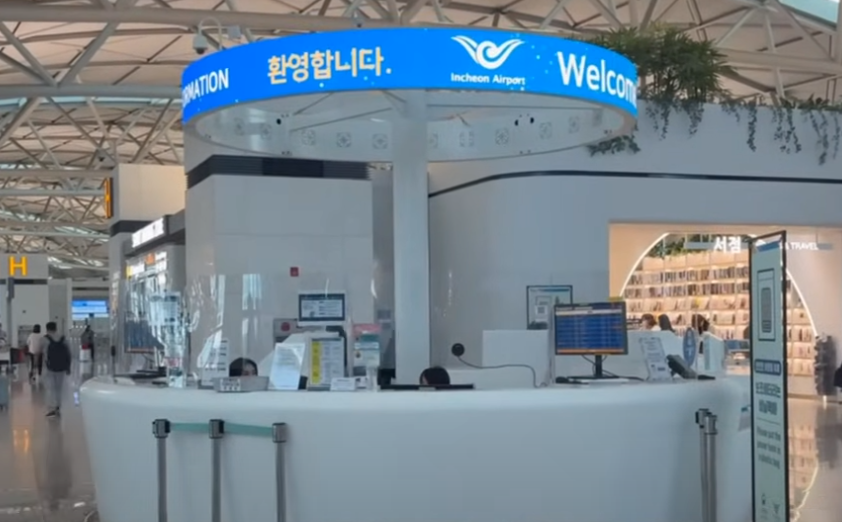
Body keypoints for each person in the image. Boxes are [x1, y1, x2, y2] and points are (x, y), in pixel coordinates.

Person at [41, 322, 71, 418]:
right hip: (62, 367)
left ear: (47, 329)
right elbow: (69, 353)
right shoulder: (63, 338)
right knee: (59, 388)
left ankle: (52, 408)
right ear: (56, 328)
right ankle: (58, 406)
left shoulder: (45, 339)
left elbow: (42, 353)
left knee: (51, 388)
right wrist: (68, 367)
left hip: (50, 367)